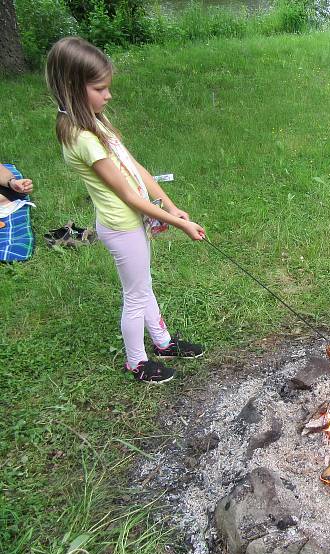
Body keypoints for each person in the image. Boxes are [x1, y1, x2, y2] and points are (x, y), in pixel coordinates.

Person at [46, 36, 207, 384]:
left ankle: (162, 343)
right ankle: (136, 362)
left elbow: (136, 169)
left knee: (143, 285)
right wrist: (179, 225)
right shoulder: (82, 137)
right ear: (74, 87)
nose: (108, 95)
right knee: (135, 295)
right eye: (100, 88)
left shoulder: (94, 121)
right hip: (121, 226)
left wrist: (174, 208)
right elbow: (128, 195)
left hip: (133, 221)